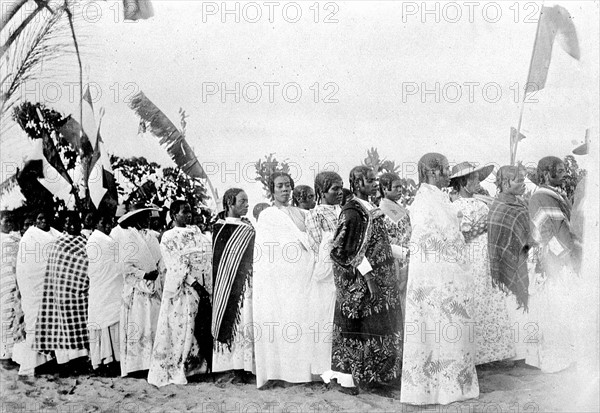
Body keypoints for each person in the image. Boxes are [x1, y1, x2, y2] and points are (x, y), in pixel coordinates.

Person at [400, 153, 479, 405]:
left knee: (446, 329)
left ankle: (451, 387)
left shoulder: (437, 197)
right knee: (438, 329)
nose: (448, 174)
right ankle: (438, 390)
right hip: (436, 275)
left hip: (446, 272)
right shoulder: (424, 201)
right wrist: (455, 260)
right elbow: (434, 239)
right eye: (445, 169)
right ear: (433, 172)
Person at [325, 166, 402, 396]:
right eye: (369, 181)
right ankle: (350, 380)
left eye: (375, 180)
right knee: (358, 331)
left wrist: (406, 253)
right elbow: (345, 249)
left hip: (383, 281)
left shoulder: (372, 209)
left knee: (380, 329)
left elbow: (380, 244)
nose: (375, 184)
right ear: (357, 184)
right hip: (363, 284)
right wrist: (369, 278)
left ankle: (379, 377)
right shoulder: (352, 212)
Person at [253, 172, 315, 388]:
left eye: (288, 185)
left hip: (301, 276)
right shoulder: (268, 215)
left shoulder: (301, 213)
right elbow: (266, 250)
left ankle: (300, 374)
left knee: (299, 322)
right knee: (280, 323)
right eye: (279, 186)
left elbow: (310, 239)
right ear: (272, 189)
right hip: (279, 280)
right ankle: (278, 373)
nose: (285, 189)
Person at [450, 162, 515, 366]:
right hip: (471, 256)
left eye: (478, 178)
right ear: (463, 182)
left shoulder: (482, 203)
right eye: (474, 178)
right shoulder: (455, 207)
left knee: (490, 296)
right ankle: (475, 356)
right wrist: (485, 223)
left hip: (486, 253)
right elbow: (461, 235)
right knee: (475, 297)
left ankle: (493, 353)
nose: (477, 182)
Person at [527, 156, 581, 373]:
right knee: (556, 307)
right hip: (555, 258)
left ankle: (566, 356)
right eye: (559, 170)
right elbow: (553, 232)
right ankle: (556, 360)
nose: (564, 174)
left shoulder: (553, 194)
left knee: (563, 306)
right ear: (546, 174)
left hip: (560, 255)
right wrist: (569, 254)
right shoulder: (541, 197)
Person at [148, 201, 209, 387]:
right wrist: (194, 283)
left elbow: (205, 256)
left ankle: (197, 366)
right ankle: (178, 366)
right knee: (181, 325)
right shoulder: (168, 237)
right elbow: (175, 264)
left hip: (201, 283)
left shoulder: (197, 233)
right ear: (174, 215)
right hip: (182, 288)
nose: (188, 215)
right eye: (184, 212)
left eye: (190, 211)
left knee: (198, 325)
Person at [110, 203, 164, 377]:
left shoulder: (152, 237)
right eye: (143, 217)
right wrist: (143, 274)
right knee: (138, 323)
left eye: (148, 216)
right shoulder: (127, 237)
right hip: (136, 289)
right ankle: (137, 365)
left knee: (153, 322)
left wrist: (156, 274)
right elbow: (124, 266)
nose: (147, 220)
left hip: (154, 287)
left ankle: (153, 362)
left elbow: (160, 259)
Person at [33, 211, 90, 372]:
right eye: (68, 223)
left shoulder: (86, 242)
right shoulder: (58, 244)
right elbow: (55, 271)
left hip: (83, 294)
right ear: (63, 225)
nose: (72, 226)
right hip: (63, 294)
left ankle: (81, 360)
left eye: (75, 222)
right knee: (64, 328)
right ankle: (66, 362)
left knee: (82, 327)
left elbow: (91, 265)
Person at [487, 164, 533, 361]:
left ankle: (528, 353)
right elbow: (498, 240)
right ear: (505, 183)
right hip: (509, 266)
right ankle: (518, 354)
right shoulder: (499, 206)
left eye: (524, 179)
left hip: (526, 260)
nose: (523, 184)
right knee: (513, 306)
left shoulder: (520, 202)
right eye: (519, 180)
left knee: (527, 307)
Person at [212, 189, 256, 382]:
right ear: (230, 203)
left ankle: (245, 367)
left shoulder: (249, 228)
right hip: (226, 285)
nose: (247, 204)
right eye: (242, 201)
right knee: (231, 323)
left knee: (245, 323)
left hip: (247, 286)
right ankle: (229, 368)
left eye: (247, 201)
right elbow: (218, 263)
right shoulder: (219, 228)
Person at [304, 172, 343, 376]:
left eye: (341, 187)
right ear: (321, 192)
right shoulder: (315, 214)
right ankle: (327, 372)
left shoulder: (343, 211)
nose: (339, 192)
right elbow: (317, 246)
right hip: (327, 274)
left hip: (347, 272)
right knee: (326, 322)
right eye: (334, 189)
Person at [12, 211, 60, 376]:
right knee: (35, 323)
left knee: (51, 324)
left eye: (46, 217)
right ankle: (31, 365)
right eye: (40, 218)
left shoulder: (56, 234)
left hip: (52, 288)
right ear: (35, 221)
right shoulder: (30, 237)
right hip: (35, 289)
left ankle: (49, 361)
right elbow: (26, 267)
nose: (44, 220)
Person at [86, 213, 122, 376]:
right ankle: (104, 360)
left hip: (111, 287)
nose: (108, 226)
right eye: (103, 222)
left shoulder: (108, 240)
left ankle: (113, 359)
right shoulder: (96, 240)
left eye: (109, 223)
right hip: (101, 287)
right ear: (96, 224)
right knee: (102, 322)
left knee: (112, 322)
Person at [378, 172, 412, 324]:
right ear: (385, 188)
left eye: (401, 187)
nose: (400, 190)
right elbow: (388, 239)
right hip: (397, 261)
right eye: (396, 187)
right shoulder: (383, 209)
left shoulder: (397, 207)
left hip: (407, 257)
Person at [1, 212, 21, 362]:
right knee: (4, 315)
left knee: (13, 314)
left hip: (14, 279)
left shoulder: (16, 240)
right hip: (3, 280)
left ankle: (12, 350)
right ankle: (4, 351)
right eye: (5, 221)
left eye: (11, 221)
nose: (9, 224)